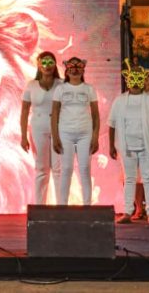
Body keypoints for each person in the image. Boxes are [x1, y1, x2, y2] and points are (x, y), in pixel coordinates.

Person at [109, 60, 149, 224]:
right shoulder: (119, 100)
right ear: (127, 79)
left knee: (148, 178)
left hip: (148, 145)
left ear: (144, 79)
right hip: (126, 145)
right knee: (129, 178)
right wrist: (111, 145)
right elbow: (111, 124)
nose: (135, 82)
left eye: (138, 78)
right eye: (132, 78)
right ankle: (128, 211)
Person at [52, 56, 100, 205]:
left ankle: (87, 206)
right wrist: (55, 137)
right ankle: (62, 206)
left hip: (85, 133)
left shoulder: (89, 89)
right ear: (66, 71)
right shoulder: (60, 89)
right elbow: (54, 114)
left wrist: (95, 136)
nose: (75, 71)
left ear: (83, 70)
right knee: (66, 169)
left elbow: (96, 115)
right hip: (65, 133)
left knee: (85, 169)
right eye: (71, 68)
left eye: (78, 68)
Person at [20, 51, 62, 204]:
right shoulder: (31, 85)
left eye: (50, 62)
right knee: (41, 169)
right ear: (38, 64)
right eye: (43, 62)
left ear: (55, 64)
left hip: (59, 129)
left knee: (59, 169)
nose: (47, 66)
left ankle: (63, 207)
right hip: (38, 128)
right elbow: (25, 111)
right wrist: (23, 136)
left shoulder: (62, 84)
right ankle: (40, 207)